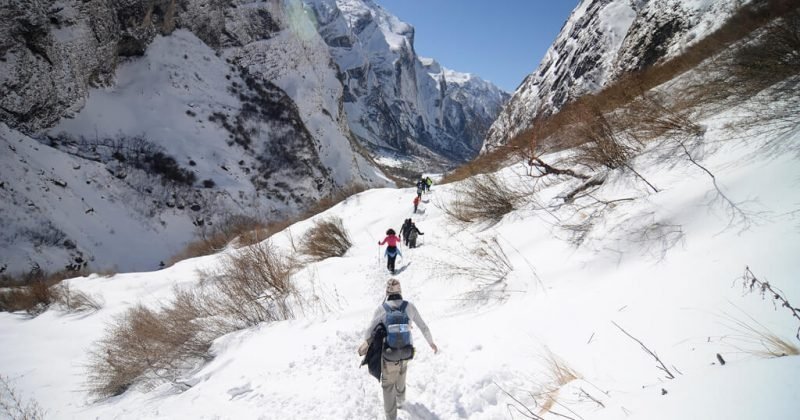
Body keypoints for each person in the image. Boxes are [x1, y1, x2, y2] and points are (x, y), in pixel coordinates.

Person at [358, 279, 438, 420]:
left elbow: (368, 332)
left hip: (389, 354)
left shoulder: (382, 309)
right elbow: (423, 326)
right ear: (400, 290)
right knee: (402, 372)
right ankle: (401, 401)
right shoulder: (410, 306)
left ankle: (391, 417)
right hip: (407, 352)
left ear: (387, 292)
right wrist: (431, 343)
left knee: (388, 386)